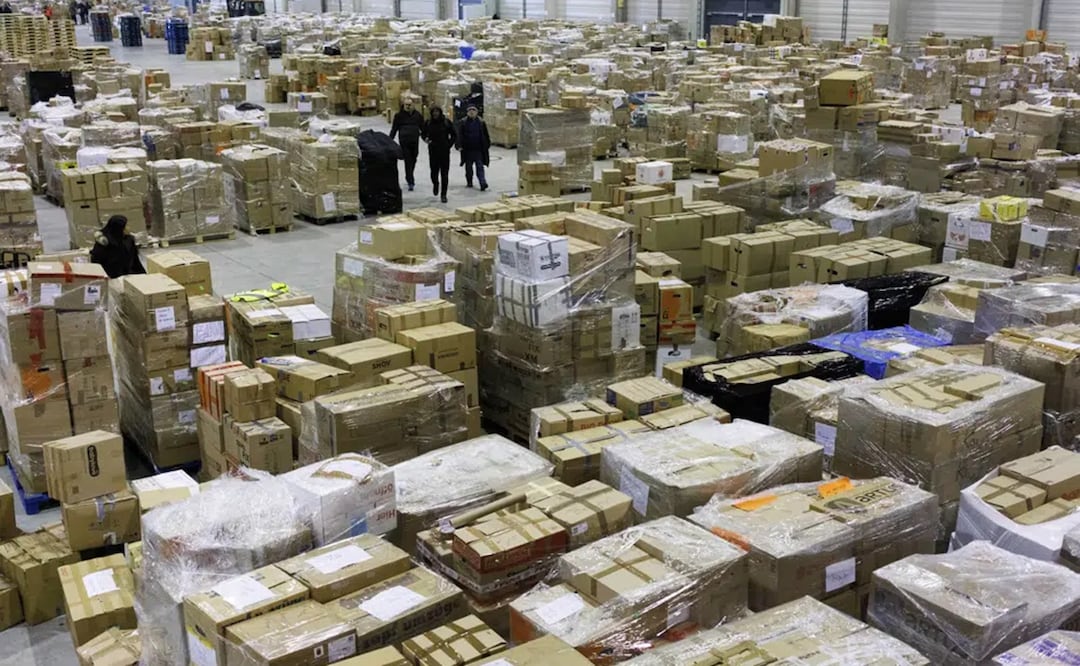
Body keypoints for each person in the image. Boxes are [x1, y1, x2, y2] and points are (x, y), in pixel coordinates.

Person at [388, 98, 423, 192]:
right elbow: (394, 128)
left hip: (415, 141)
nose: (408, 106)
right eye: (406, 105)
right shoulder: (399, 116)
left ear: (413, 105)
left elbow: (423, 128)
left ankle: (410, 174)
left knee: (414, 159)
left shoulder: (418, 115)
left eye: (410, 104)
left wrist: (426, 137)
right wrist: (389, 140)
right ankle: (410, 180)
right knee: (408, 160)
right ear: (403, 106)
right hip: (404, 141)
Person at [422, 105, 455, 203]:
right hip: (433, 151)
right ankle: (435, 184)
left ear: (440, 113)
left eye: (437, 112)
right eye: (434, 112)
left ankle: (443, 194)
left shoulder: (446, 122)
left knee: (444, 174)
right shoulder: (428, 123)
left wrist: (449, 144)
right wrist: (426, 139)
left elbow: (454, 134)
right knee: (434, 172)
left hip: (444, 151)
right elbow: (423, 134)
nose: (435, 114)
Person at [455, 105, 490, 191]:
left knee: (480, 167)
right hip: (467, 150)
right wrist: (458, 145)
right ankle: (469, 182)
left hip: (478, 149)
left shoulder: (481, 122)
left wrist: (487, 145)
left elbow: (485, 135)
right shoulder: (463, 122)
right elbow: (459, 135)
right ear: (467, 112)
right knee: (469, 168)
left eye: (473, 110)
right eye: (470, 110)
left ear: (476, 112)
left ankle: (482, 183)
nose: (472, 112)